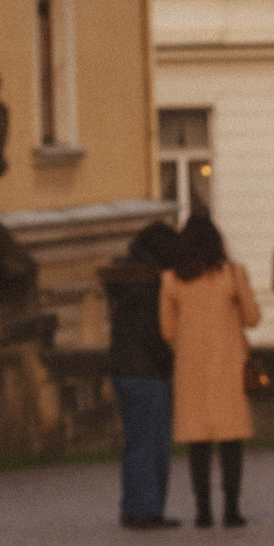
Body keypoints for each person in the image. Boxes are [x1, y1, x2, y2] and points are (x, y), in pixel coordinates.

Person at [160, 212, 261, 529]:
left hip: (191, 367)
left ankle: (203, 511)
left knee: (198, 442)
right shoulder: (232, 274)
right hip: (229, 363)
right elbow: (252, 318)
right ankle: (232, 509)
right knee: (231, 441)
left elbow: (167, 330)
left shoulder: (171, 279)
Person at [99, 221, 182, 530]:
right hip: (145, 370)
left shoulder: (125, 279)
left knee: (136, 443)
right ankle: (147, 510)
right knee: (152, 444)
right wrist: (169, 364)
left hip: (123, 368)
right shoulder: (150, 284)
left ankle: (134, 506)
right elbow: (154, 334)